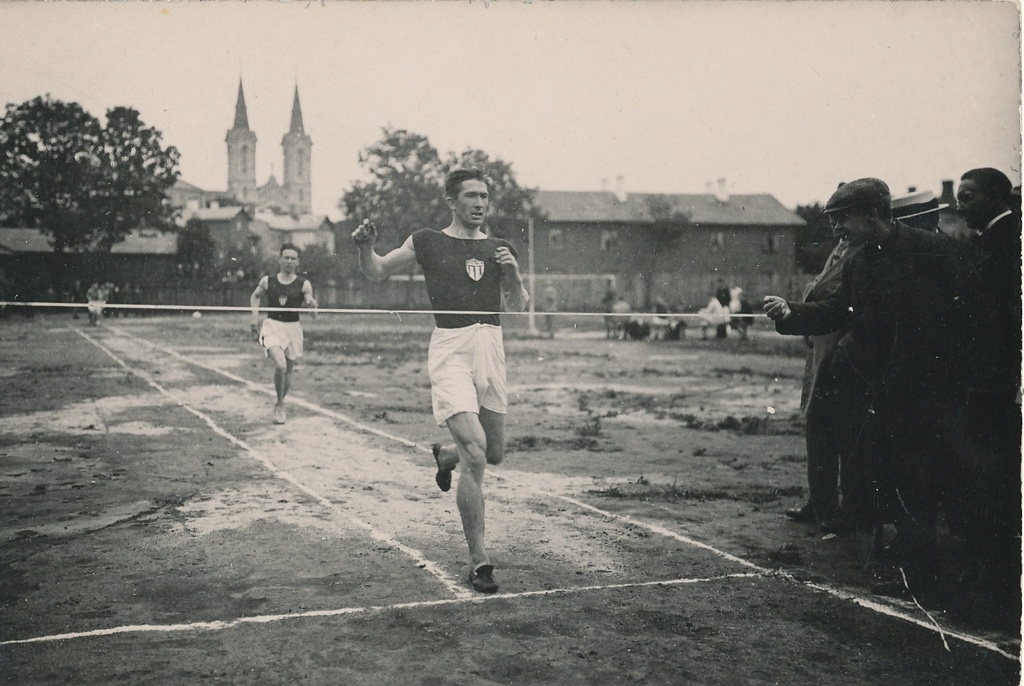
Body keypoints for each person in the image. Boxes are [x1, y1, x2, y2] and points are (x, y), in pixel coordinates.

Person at [763, 178, 998, 599]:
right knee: (906, 483)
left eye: (842, 220)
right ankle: (921, 581)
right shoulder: (861, 261)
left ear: (873, 214)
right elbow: (839, 311)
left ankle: (989, 580)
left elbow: (980, 317)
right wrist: (791, 313)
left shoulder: (936, 251)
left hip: (943, 394)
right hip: (891, 395)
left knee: (961, 485)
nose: (837, 230)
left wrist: (969, 381)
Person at [352, 168, 528, 594]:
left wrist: (516, 274)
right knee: (478, 455)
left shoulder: (499, 246)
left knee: (494, 452)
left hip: (491, 347)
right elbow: (376, 271)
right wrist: (366, 247)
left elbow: (519, 308)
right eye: (470, 196)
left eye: (484, 195)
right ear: (451, 201)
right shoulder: (427, 239)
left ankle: (446, 456)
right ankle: (479, 559)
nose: (479, 203)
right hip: (451, 349)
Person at [955, 167, 1022, 591]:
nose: (961, 207)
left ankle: (997, 572)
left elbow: (1009, 322)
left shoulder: (1010, 244)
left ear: (998, 197)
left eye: (969, 197)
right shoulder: (989, 242)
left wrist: (997, 376)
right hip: (985, 376)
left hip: (997, 379)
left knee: (996, 470)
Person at [784, 237, 862, 529]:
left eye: (842, 217)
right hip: (821, 351)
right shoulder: (840, 248)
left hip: (844, 354)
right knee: (817, 428)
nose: (837, 226)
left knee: (847, 433)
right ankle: (821, 503)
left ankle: (851, 511)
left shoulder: (862, 250)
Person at [250, 243, 317, 425]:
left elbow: (313, 314)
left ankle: (280, 402)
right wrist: (254, 318)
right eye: (285, 257)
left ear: (297, 262)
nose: (289, 261)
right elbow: (255, 296)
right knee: (280, 366)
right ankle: (279, 405)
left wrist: (312, 305)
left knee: (287, 371)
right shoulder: (268, 281)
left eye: (292, 258)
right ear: (280, 259)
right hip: (272, 327)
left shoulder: (304, 284)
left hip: (292, 329)